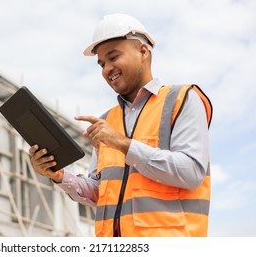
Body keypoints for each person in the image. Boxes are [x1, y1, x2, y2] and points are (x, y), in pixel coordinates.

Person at [29, 13, 212, 237]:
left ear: (143, 51)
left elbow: (192, 173)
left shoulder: (182, 99)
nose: (106, 69)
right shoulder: (108, 120)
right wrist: (59, 175)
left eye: (113, 57)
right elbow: (99, 191)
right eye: (102, 64)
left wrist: (121, 143)